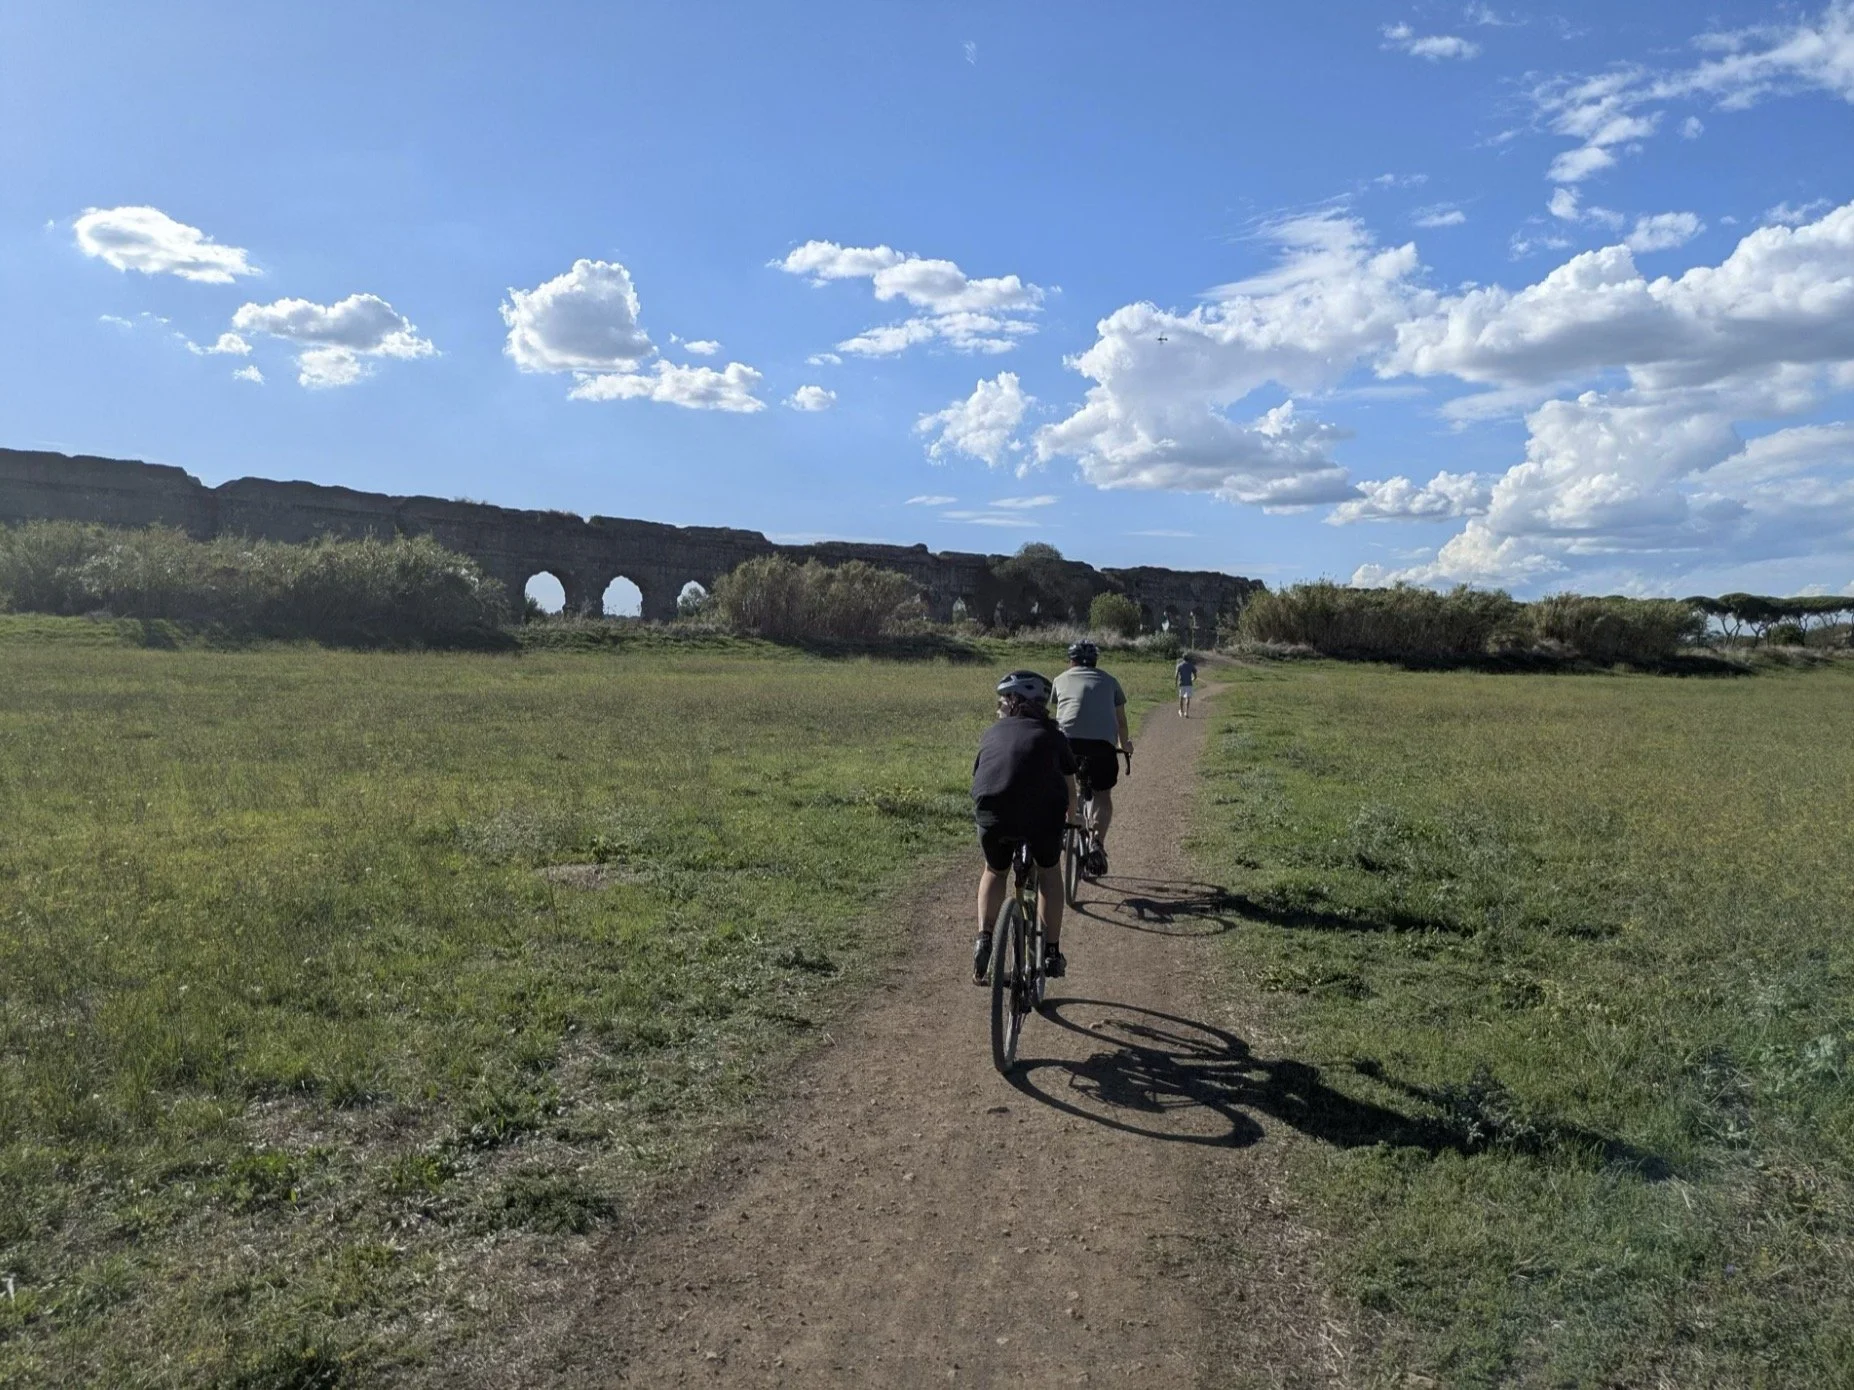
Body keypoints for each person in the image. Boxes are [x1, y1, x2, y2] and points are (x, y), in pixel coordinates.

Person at [970, 669, 1077, 984]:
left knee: (994, 870)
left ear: (1014, 701)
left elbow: (981, 774)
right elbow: (1069, 782)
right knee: (1048, 872)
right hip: (1042, 815)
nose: (1001, 704)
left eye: (1004, 699)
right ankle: (1052, 952)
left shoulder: (992, 733)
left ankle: (985, 939)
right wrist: (1074, 816)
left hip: (992, 811)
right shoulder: (1054, 734)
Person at [1051, 641, 1130, 876]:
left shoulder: (1059, 679)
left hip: (1066, 744)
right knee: (1102, 795)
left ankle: (1065, 823)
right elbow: (1121, 722)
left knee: (1065, 785)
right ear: (1096, 662)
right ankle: (1098, 841)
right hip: (1102, 747)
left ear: (1071, 661)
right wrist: (1125, 745)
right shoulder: (1111, 681)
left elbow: (1061, 711)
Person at [1175, 651, 1198, 718]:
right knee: (1188, 698)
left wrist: (1176, 683)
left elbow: (1176, 675)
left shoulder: (1179, 665)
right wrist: (1192, 679)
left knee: (1181, 697)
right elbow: (1195, 676)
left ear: (1183, 658)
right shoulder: (1191, 665)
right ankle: (1187, 712)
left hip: (1182, 683)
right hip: (1189, 684)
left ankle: (1181, 711)